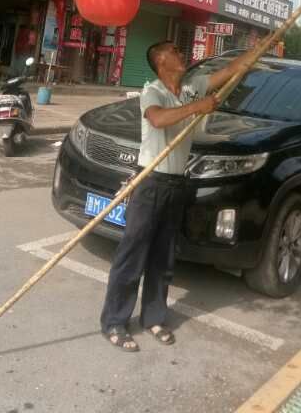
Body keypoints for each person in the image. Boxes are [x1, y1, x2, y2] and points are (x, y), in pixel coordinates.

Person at [100, 40, 255, 352]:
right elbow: (158, 119)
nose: (180, 52)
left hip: (176, 183)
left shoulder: (192, 86)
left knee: (163, 255)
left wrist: (259, 47)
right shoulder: (152, 91)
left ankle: (154, 317)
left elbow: (229, 70)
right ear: (160, 61)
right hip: (150, 181)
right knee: (133, 255)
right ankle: (115, 322)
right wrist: (198, 107)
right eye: (174, 49)